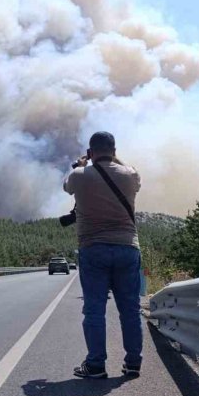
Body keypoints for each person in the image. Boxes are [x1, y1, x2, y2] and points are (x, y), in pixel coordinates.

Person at [63, 131, 142, 380]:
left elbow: (67, 187)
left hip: (93, 248)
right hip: (127, 247)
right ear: (114, 150)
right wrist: (114, 159)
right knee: (130, 310)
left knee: (94, 310)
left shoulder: (78, 175)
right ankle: (132, 364)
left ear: (91, 151)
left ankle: (96, 365)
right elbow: (128, 172)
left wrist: (82, 164)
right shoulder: (130, 174)